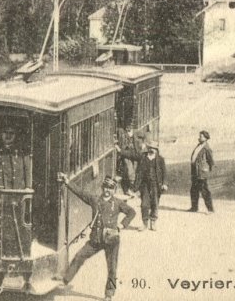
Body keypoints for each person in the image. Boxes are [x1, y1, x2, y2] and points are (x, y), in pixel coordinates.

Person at [58, 173, 135, 301]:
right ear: (102, 188)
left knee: (112, 268)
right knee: (79, 256)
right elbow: (80, 193)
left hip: (111, 241)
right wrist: (67, 182)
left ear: (114, 190)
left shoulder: (117, 203)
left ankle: (109, 294)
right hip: (96, 240)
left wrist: (121, 226)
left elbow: (132, 212)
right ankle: (65, 280)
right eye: (105, 187)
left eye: (110, 188)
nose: (107, 190)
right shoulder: (95, 200)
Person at [132, 140, 167, 231]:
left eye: (154, 148)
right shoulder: (143, 157)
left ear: (157, 150)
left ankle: (153, 221)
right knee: (144, 204)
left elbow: (164, 172)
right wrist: (120, 150)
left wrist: (164, 183)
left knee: (155, 203)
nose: (152, 150)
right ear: (148, 148)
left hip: (156, 185)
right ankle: (144, 223)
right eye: (150, 148)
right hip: (145, 185)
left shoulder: (160, 159)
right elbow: (132, 155)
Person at [188, 130, 215, 213]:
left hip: (201, 173)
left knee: (204, 191)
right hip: (195, 172)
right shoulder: (199, 145)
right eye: (199, 136)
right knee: (194, 190)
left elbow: (211, 161)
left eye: (201, 136)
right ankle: (194, 208)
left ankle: (210, 209)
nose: (199, 138)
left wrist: (206, 170)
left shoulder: (207, 148)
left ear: (206, 138)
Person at [116, 128, 143, 195]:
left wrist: (121, 151)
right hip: (126, 158)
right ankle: (129, 188)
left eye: (130, 131)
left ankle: (132, 187)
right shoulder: (121, 133)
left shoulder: (139, 139)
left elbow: (138, 155)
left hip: (134, 158)